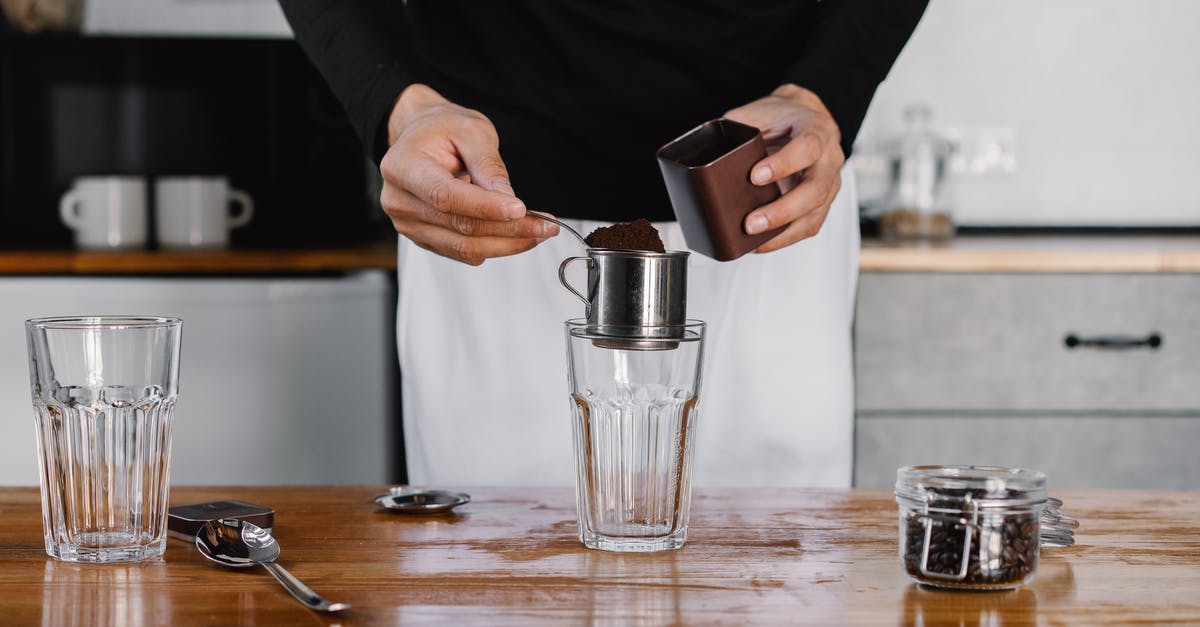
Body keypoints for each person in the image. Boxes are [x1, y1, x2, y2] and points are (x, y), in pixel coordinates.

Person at [280, 1, 927, 487]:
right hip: (486, 213)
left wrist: (821, 92)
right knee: (490, 577)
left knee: (780, 573)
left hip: (765, 202)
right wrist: (397, 105)